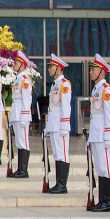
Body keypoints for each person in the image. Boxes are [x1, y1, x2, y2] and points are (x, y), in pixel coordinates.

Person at [87, 54, 110, 212]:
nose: (91, 72)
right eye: (91, 69)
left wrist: (109, 136)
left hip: (103, 134)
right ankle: (101, 200)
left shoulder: (106, 90)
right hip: (96, 134)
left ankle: (107, 202)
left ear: (102, 72)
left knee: (106, 168)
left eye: (94, 69)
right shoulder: (97, 89)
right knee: (99, 167)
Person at [45, 54, 72, 193]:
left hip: (60, 125)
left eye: (51, 67)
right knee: (56, 154)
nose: (49, 69)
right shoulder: (55, 85)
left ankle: (62, 184)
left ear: (59, 68)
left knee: (62, 154)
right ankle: (58, 184)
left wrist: (64, 125)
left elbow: (66, 107)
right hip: (54, 124)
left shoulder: (64, 84)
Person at [8, 50, 33, 178]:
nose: (14, 64)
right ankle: (20, 168)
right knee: (19, 141)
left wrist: (24, 116)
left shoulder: (25, 81)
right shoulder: (18, 80)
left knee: (23, 141)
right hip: (17, 114)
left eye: (17, 63)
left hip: (22, 115)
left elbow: (27, 101)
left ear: (22, 65)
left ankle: (24, 170)